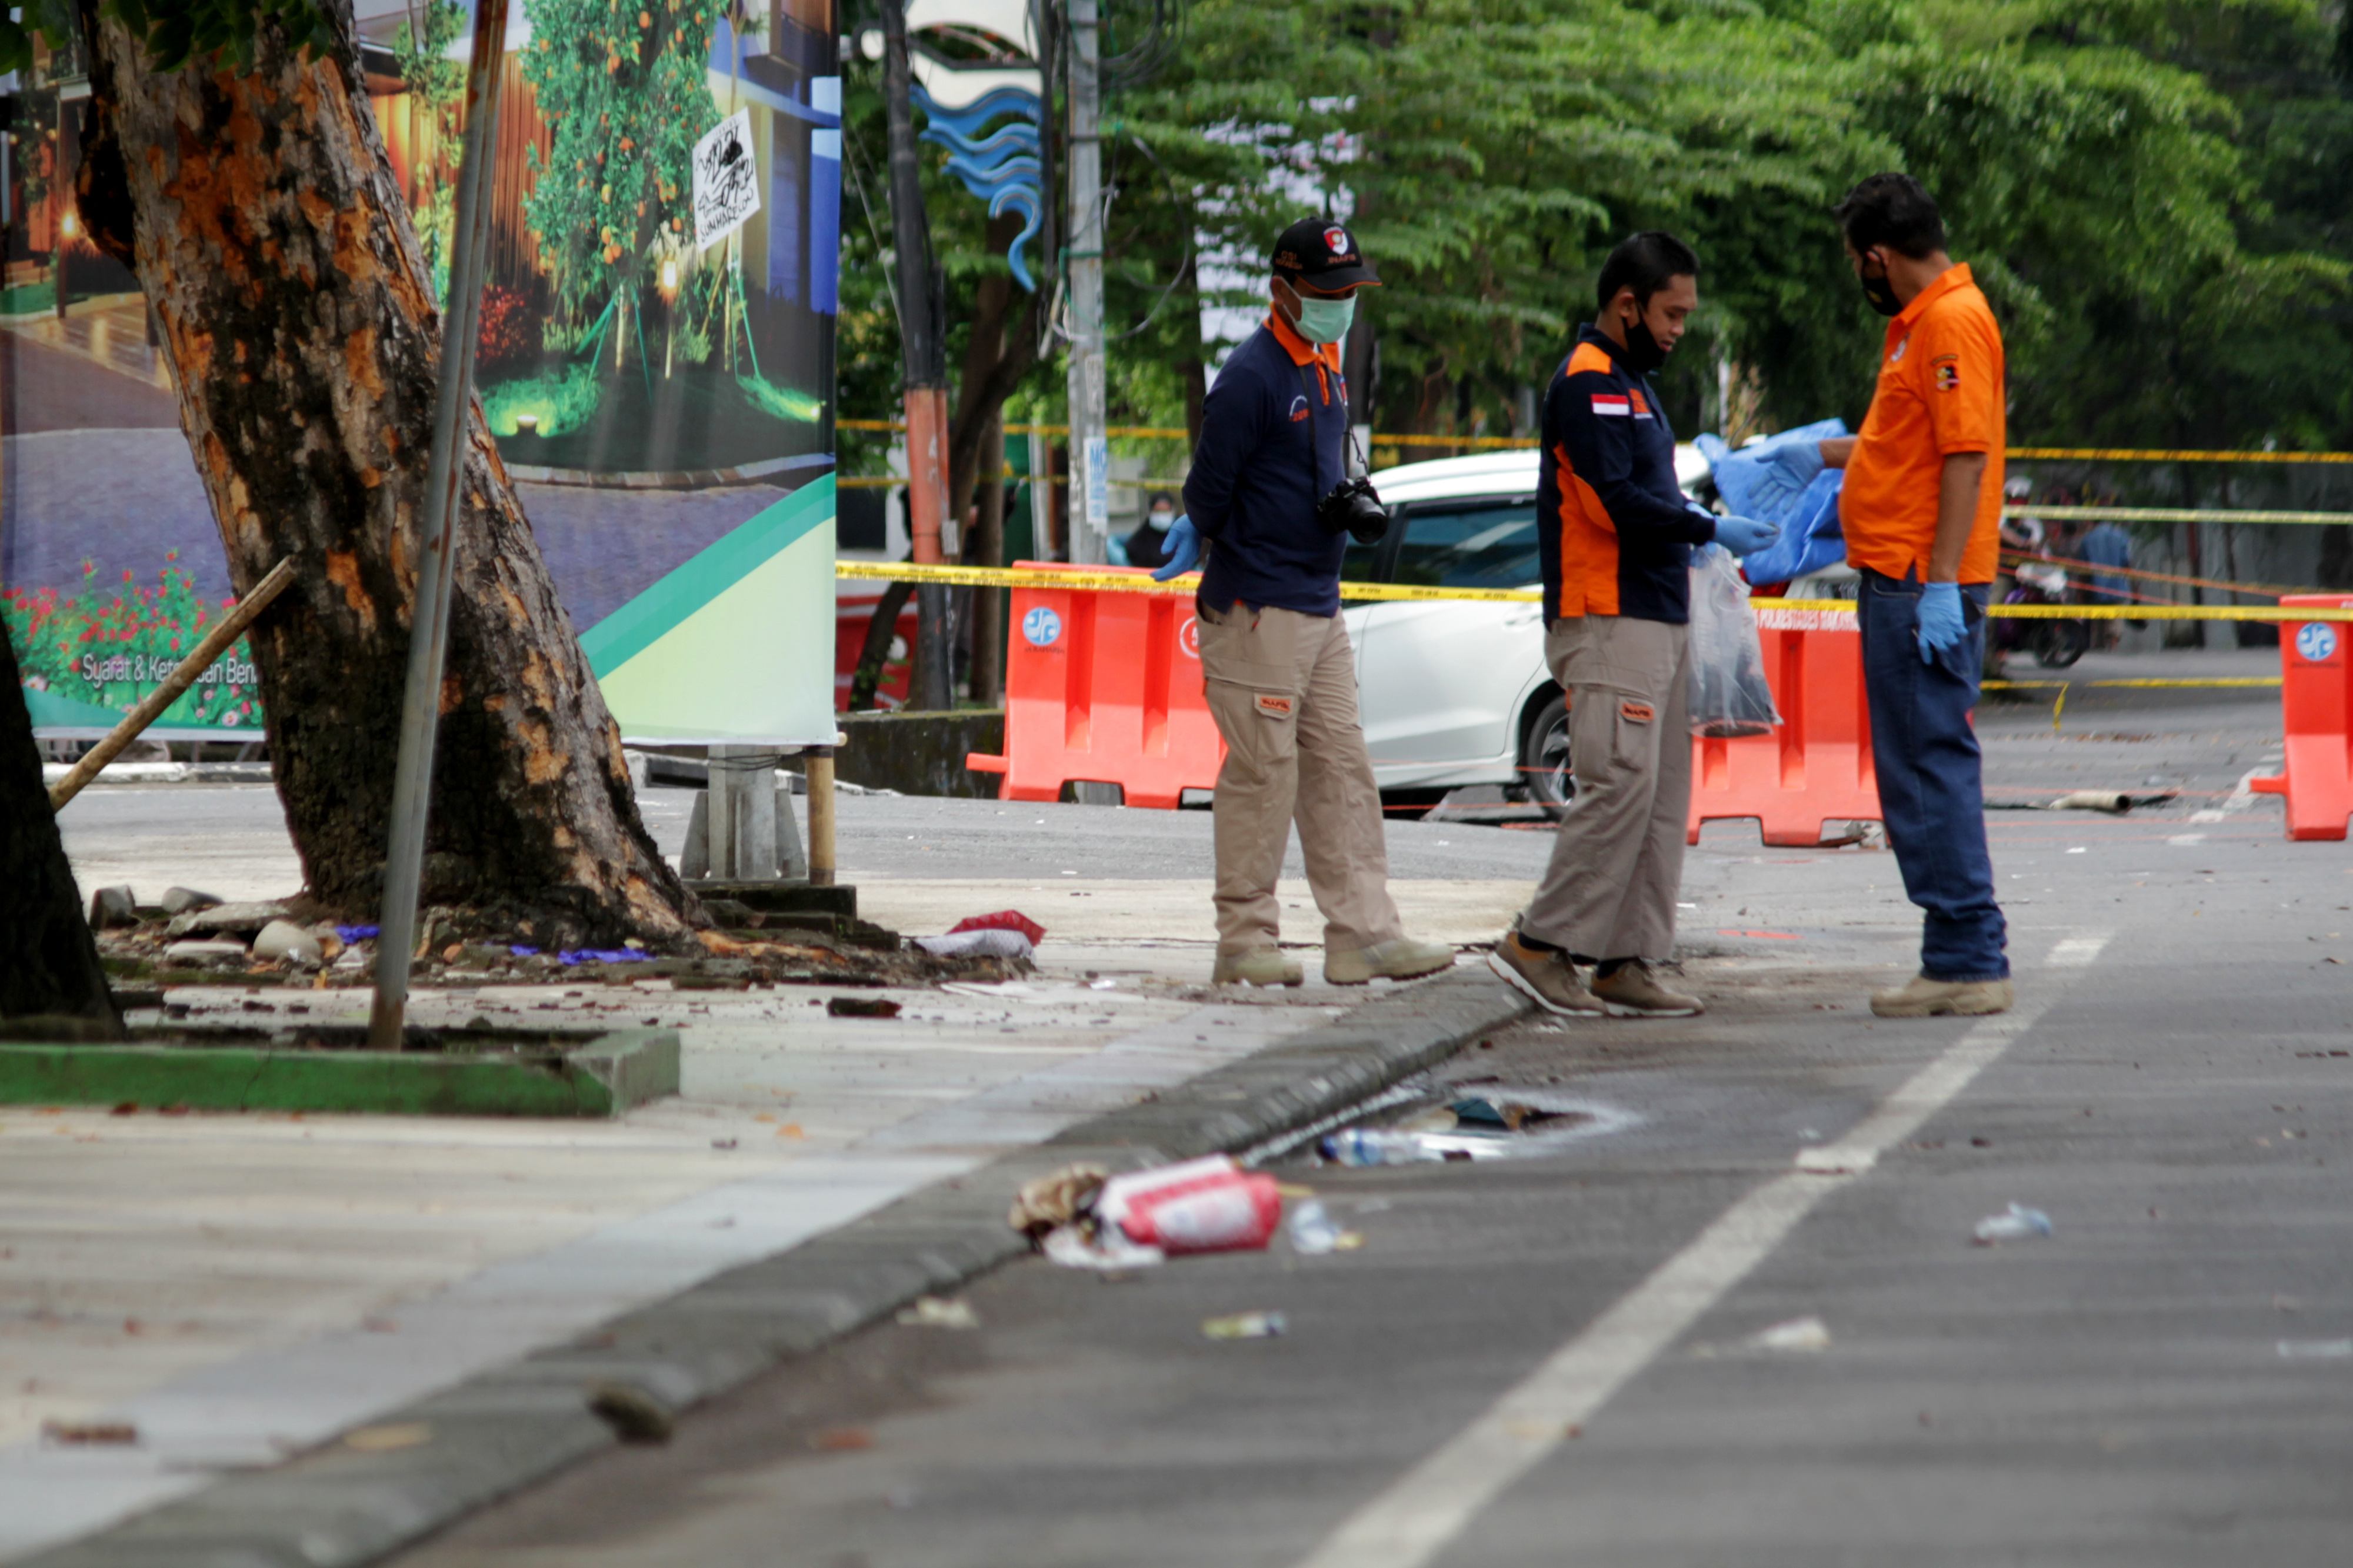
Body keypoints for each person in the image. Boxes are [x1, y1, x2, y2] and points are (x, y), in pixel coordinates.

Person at [1154, 216, 1456, 989]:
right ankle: (1245, 941)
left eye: (1351, 291)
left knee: (1342, 771)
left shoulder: (1326, 366)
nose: (1342, 304)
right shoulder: (1252, 376)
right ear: (1281, 291)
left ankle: (1363, 935)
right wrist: (1199, 528)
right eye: (1327, 293)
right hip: (1259, 607)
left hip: (1318, 607)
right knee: (1264, 773)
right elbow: (1208, 492)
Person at [1485, 232, 1781, 1017]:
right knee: (1617, 788)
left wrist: (1701, 521)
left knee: (1656, 798)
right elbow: (1614, 501)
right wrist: (1708, 531)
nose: (1680, 328)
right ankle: (1538, 944)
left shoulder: (1633, 382)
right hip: (1608, 616)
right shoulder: (1588, 383)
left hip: (1653, 611)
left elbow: (1649, 494)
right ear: (1627, 306)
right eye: (1672, 312)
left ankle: (1628, 959)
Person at [1757, 172, 2012, 1017]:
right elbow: (1906, 443)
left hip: (1920, 580)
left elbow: (1966, 456)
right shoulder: (1922, 325)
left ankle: (1969, 958)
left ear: (1876, 256)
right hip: (1907, 574)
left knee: (1926, 766)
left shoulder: (1947, 322)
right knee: (1918, 767)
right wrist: (1813, 455)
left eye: (1856, 264)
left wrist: (1941, 581)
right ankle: (1955, 956)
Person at [1115, 495, 1181, 570]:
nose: (1162, 515)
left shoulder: (1181, 535)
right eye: (1158, 511)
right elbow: (1132, 553)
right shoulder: (1144, 534)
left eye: (1165, 511)